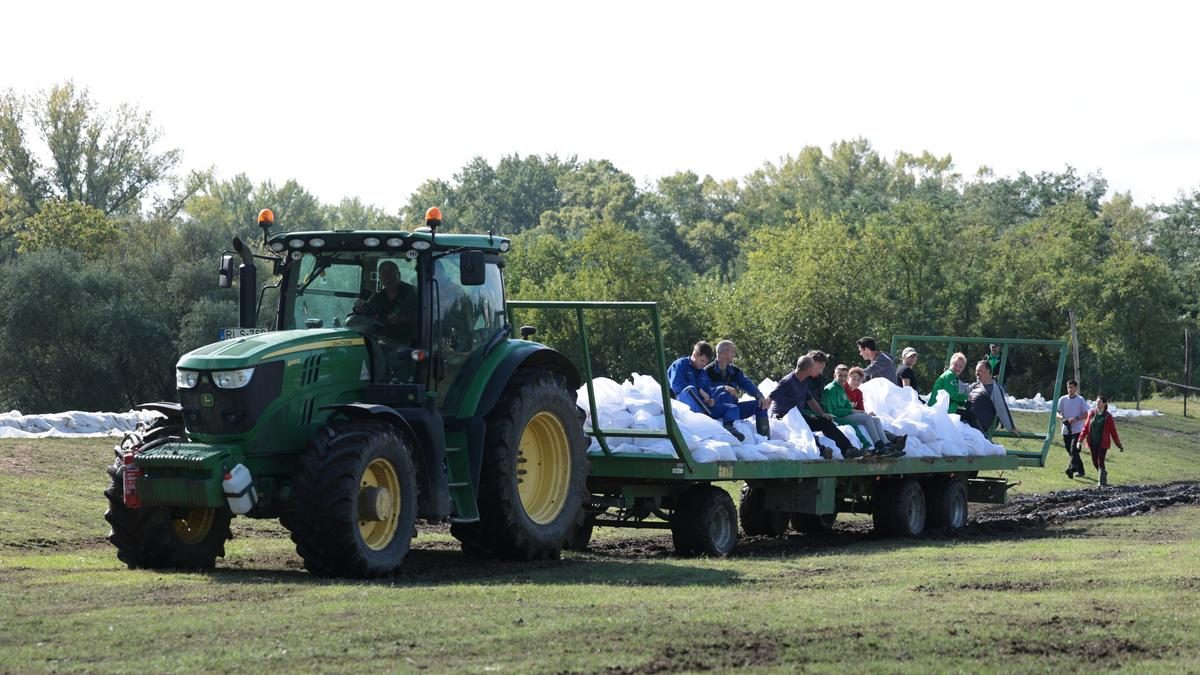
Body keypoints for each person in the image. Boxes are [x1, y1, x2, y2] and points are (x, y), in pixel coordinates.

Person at [769, 354, 863, 459]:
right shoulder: (787, 382)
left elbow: (811, 401)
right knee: (803, 430)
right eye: (814, 367)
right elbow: (770, 399)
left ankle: (848, 449)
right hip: (783, 418)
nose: (818, 370)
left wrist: (822, 414)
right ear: (808, 369)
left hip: (797, 417)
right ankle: (821, 450)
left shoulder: (803, 381)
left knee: (824, 421)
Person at [667, 341, 753, 441]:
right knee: (690, 390)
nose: (703, 365)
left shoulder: (702, 372)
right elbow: (676, 385)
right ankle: (704, 421)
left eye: (706, 362)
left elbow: (709, 389)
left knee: (732, 407)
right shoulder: (680, 364)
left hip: (704, 406)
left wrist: (713, 397)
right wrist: (699, 390)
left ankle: (729, 427)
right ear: (695, 354)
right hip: (684, 403)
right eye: (702, 360)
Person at [823, 365, 902, 456]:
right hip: (837, 418)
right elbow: (833, 412)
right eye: (840, 375)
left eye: (845, 376)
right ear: (834, 376)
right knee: (867, 418)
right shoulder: (831, 389)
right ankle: (879, 445)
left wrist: (856, 411)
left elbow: (848, 406)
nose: (843, 378)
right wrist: (852, 411)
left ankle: (887, 443)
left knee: (876, 419)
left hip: (844, 415)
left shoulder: (841, 388)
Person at [705, 340, 771, 437]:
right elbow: (705, 391)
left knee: (760, 405)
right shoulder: (707, 371)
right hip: (716, 410)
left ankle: (765, 439)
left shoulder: (735, 371)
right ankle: (729, 427)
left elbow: (748, 385)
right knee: (726, 396)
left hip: (734, 409)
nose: (734, 354)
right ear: (725, 353)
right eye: (733, 352)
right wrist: (723, 388)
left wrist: (760, 397)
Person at [353, 260, 417, 342]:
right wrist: (359, 307)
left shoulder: (413, 293)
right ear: (380, 279)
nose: (388, 277)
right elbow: (366, 311)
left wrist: (402, 318)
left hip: (410, 342)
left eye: (391, 273)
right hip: (382, 341)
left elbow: (425, 317)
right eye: (383, 274)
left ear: (399, 275)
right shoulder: (377, 297)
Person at [963, 360, 1020, 436]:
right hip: (967, 422)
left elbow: (1001, 407)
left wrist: (1011, 427)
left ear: (988, 371)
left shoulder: (993, 388)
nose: (976, 373)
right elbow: (961, 389)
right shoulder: (975, 385)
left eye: (980, 371)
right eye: (976, 371)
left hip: (977, 427)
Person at [1079, 396, 1124, 487]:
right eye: (1096, 402)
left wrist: (1118, 444)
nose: (1097, 404)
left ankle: (1101, 481)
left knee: (1100, 460)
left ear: (1104, 404)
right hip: (1092, 442)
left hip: (1103, 443)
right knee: (1094, 461)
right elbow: (1085, 428)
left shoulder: (1108, 417)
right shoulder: (1091, 414)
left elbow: (1113, 432)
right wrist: (1080, 440)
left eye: (1099, 402)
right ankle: (1103, 474)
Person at [1057, 380, 1090, 479]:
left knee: (1074, 449)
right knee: (1070, 451)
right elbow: (1057, 412)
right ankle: (1080, 470)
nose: (1070, 389)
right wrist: (1063, 419)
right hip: (1066, 429)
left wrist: (1076, 419)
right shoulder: (1062, 399)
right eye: (1068, 387)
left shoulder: (1080, 400)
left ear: (1076, 388)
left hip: (1077, 430)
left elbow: (1086, 414)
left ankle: (1071, 469)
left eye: (1071, 387)